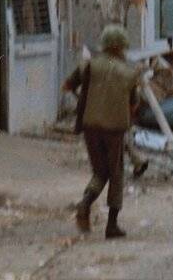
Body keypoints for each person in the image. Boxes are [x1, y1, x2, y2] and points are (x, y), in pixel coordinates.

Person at [63, 25, 141, 239]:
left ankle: (85, 204)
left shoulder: (88, 66)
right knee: (115, 174)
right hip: (114, 130)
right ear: (122, 47)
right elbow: (134, 105)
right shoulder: (129, 73)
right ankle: (111, 225)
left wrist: (85, 99)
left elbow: (67, 86)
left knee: (99, 171)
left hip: (90, 127)